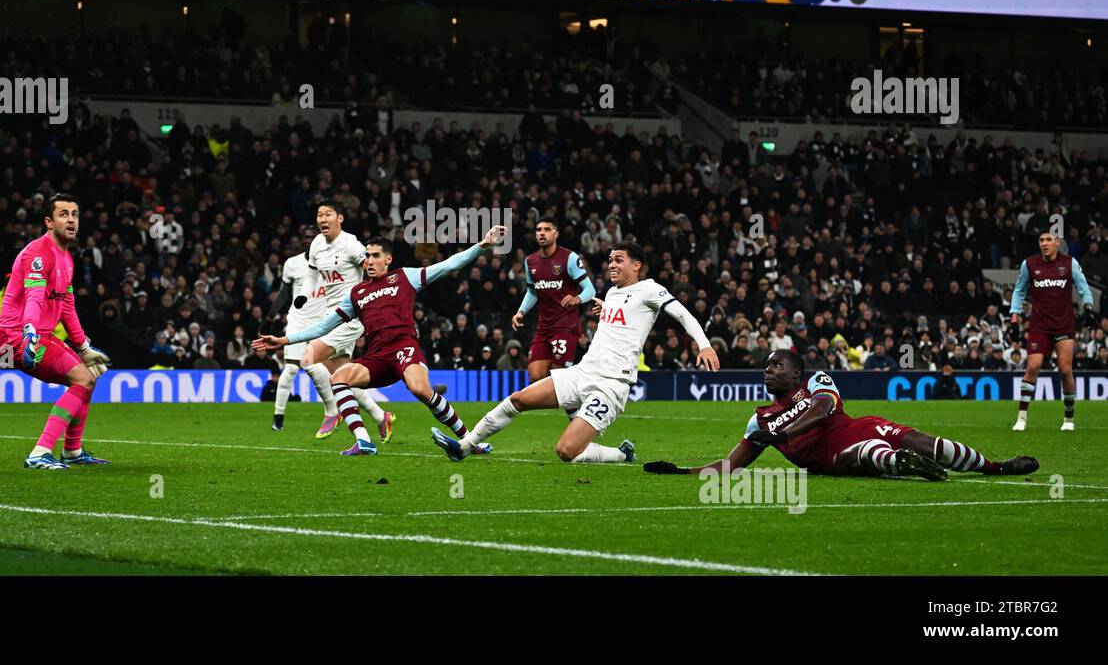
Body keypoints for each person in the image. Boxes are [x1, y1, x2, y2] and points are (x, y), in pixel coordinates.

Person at [432, 242, 718, 465]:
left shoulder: (650, 289)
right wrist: (604, 308)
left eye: (619, 260)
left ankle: (620, 454)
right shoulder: (614, 294)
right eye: (610, 260)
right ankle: (465, 447)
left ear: (637, 265)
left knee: (566, 451)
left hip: (611, 385)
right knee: (519, 398)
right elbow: (623, 320)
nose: (612, 265)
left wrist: (704, 344)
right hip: (582, 372)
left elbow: (682, 314)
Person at [254, 225, 508, 456]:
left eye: (375, 255)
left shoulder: (405, 277)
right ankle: (364, 440)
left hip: (403, 347)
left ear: (388, 259)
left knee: (420, 390)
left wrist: (482, 245)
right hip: (376, 357)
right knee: (338, 378)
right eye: (367, 256)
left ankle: (469, 441)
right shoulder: (357, 293)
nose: (369, 261)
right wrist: (285, 340)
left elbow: (449, 265)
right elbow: (323, 326)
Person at [647, 350, 1037, 480]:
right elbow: (731, 467)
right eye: (766, 366)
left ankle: (996, 467)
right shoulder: (759, 421)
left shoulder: (817, 381)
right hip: (831, 458)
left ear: (796, 373)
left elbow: (822, 410)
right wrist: (683, 471)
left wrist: (781, 437)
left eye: (776, 365)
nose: (768, 370)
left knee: (920, 439)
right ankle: (905, 466)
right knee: (863, 455)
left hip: (856, 426)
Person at [0, 193, 112, 470]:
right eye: (63, 214)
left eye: (74, 214)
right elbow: (34, 297)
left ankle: (72, 451)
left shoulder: (67, 259)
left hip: (39, 334)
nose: (71, 219)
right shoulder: (38, 253)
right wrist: (30, 333)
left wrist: (83, 347)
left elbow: (67, 305)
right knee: (83, 380)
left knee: (87, 379)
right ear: (49, 222)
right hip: (17, 335)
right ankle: (39, 452)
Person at [296, 201, 389, 439]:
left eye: (328, 214)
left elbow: (373, 270)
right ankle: (381, 416)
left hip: (350, 316)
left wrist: (378, 300)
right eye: (319, 215)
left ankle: (331, 411)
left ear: (340, 218)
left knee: (307, 359)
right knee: (341, 375)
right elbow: (312, 274)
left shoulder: (351, 244)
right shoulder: (317, 243)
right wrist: (303, 296)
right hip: (330, 315)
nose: (322, 219)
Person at [1009, 230, 1096, 431]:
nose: (1045, 243)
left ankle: (1068, 419)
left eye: (1049, 239)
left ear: (1057, 243)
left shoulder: (1069, 263)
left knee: (1065, 369)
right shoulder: (1029, 264)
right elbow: (1019, 291)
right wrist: (1014, 318)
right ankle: (1021, 418)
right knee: (1033, 366)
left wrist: (1089, 308)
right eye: (1041, 240)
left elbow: (1083, 287)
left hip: (1064, 324)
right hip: (1039, 325)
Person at [512, 218, 595, 381]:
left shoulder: (569, 258)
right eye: (538, 229)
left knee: (559, 379)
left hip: (565, 327)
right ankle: (576, 404)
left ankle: (576, 405)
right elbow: (532, 292)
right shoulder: (530, 261)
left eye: (547, 229)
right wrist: (521, 311)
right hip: (543, 327)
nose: (542, 233)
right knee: (535, 376)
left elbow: (590, 290)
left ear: (556, 234)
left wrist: (577, 298)